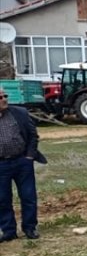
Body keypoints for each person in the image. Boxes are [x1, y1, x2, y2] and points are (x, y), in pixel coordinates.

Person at [0, 88, 46, 242]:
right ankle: (8, 231)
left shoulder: (20, 113)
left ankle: (30, 228)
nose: (4, 99)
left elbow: (33, 135)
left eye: (5, 96)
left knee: (28, 196)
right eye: (0, 97)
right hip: (1, 165)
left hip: (22, 162)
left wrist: (29, 156)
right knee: (2, 199)